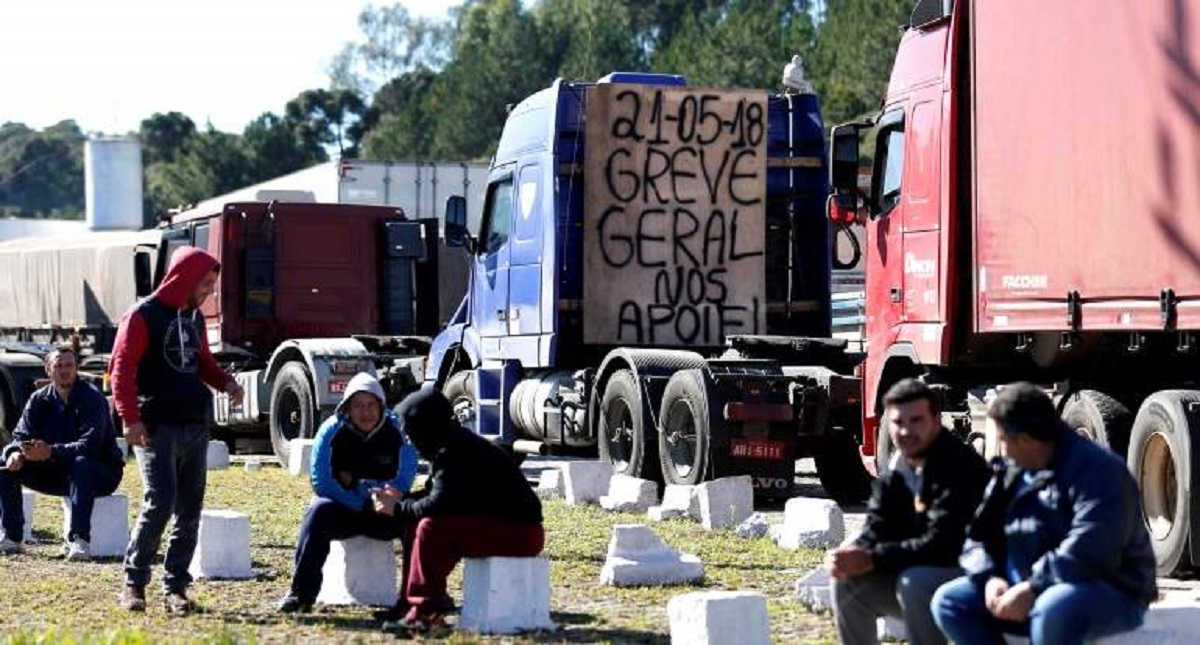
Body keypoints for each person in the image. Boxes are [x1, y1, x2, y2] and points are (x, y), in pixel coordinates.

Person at [932, 382, 1157, 645]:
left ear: (1026, 440)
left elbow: (1093, 546)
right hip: (1026, 585)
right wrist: (990, 577)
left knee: (1054, 607)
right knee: (950, 602)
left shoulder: (1098, 471)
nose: (1000, 449)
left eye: (1003, 440)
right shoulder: (1011, 471)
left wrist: (1034, 587)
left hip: (1108, 588)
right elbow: (979, 536)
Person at [109, 246, 244, 614]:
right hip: (155, 427)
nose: (209, 292)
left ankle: (176, 588)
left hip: (194, 425)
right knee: (160, 502)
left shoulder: (195, 319)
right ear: (184, 278)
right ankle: (134, 583)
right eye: (205, 283)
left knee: (189, 508)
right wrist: (129, 417)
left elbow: (202, 363)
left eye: (212, 285)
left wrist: (226, 383)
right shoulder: (142, 315)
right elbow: (121, 369)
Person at [826, 378, 990, 645]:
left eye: (916, 421)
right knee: (847, 582)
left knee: (913, 583)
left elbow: (943, 545)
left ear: (936, 421)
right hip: (924, 566)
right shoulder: (899, 466)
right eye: (898, 423)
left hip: (972, 574)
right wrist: (853, 556)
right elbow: (876, 526)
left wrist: (872, 559)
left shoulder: (958, 465)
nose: (906, 431)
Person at [371, 387, 544, 632]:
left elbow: (439, 504)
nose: (410, 440)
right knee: (417, 524)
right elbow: (439, 494)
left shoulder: (454, 450)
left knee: (431, 528)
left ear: (425, 427)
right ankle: (412, 603)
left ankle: (426, 614)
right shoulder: (453, 443)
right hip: (508, 527)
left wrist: (397, 507)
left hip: (520, 533)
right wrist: (402, 500)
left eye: (411, 432)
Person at [276, 372, 419, 613]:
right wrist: (360, 500)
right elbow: (321, 480)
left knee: (415, 520)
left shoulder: (398, 431)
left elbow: (405, 476)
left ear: (382, 405)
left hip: (384, 508)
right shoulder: (330, 431)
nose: (366, 412)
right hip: (345, 509)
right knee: (317, 512)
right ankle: (301, 594)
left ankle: (412, 600)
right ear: (347, 408)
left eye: (371, 404)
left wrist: (381, 497)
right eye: (358, 406)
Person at [0, 347, 124, 560]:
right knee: (5, 463)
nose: (64, 371)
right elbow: (20, 434)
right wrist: (16, 452)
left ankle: (79, 540)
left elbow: (91, 446)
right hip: (56, 471)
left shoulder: (93, 399)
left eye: (69, 365)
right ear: (48, 370)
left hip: (100, 473)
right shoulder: (39, 399)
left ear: (77, 368)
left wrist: (50, 452)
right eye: (58, 366)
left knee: (81, 463)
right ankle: (12, 537)